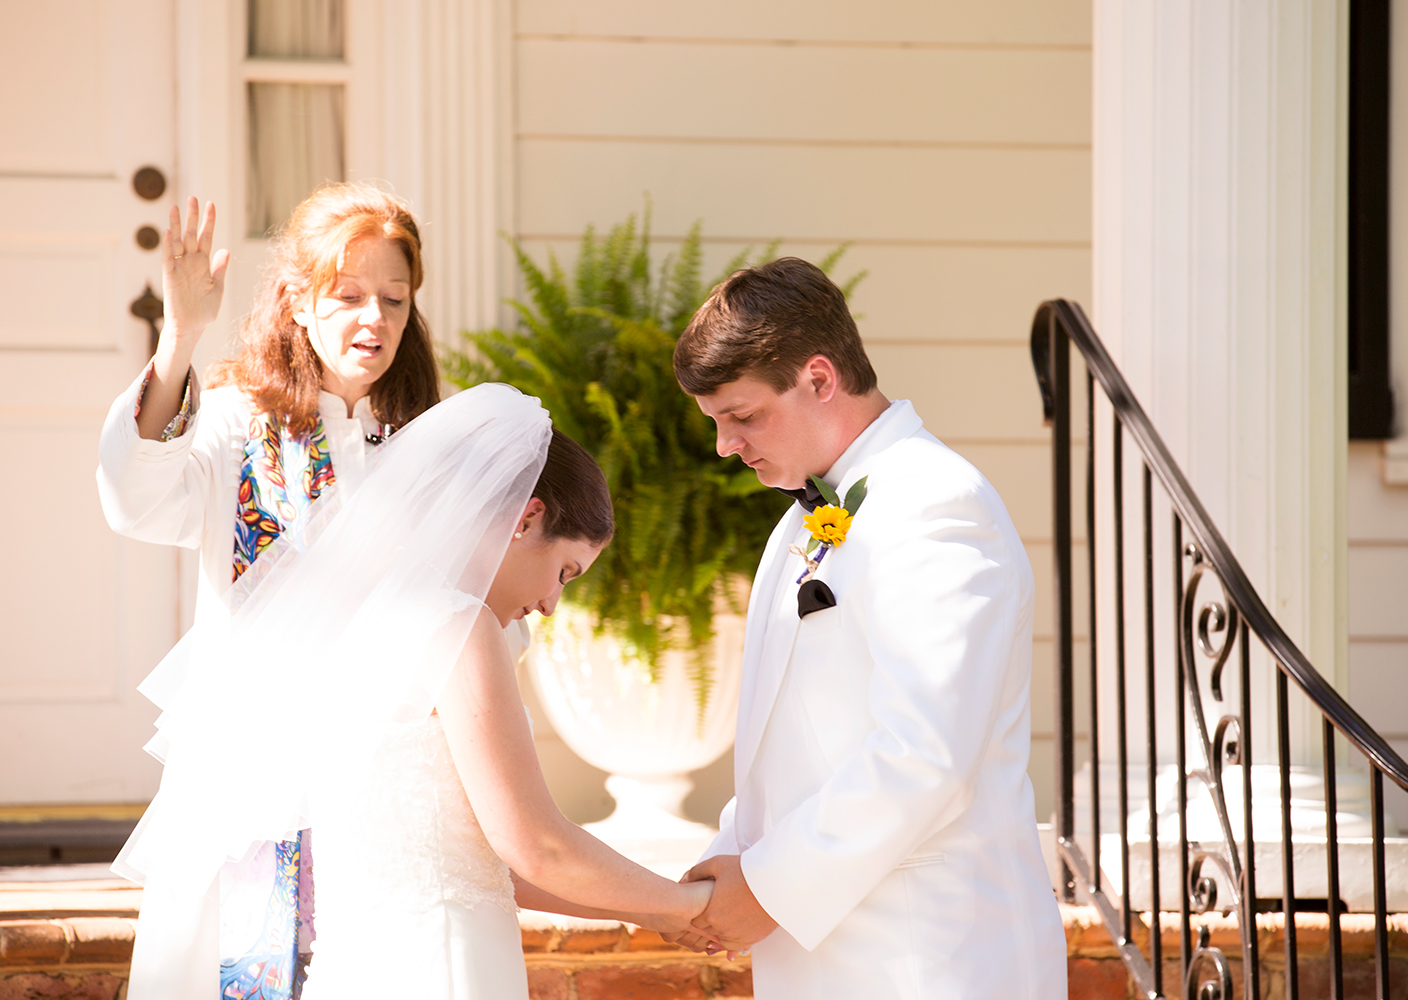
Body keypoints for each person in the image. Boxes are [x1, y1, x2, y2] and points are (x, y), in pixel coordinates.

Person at [118, 383, 715, 1000]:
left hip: (357, 968)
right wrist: (690, 902)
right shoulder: (459, 626)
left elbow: (490, 858)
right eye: (565, 571)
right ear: (527, 517)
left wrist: (652, 912)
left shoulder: (354, 626)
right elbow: (533, 845)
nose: (549, 603)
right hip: (443, 966)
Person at [669, 257, 1067, 999]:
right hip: (827, 956)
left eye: (743, 417)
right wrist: (728, 865)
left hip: (927, 958)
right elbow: (795, 747)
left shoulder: (940, 505)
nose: (726, 446)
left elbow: (926, 751)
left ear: (820, 377)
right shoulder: (801, 521)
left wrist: (762, 890)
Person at [97, 184, 443, 998]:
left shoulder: (427, 439)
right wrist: (180, 336)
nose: (375, 320)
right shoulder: (232, 421)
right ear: (297, 299)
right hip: (248, 776)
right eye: (350, 296)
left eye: (394, 300)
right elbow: (134, 499)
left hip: (379, 773)